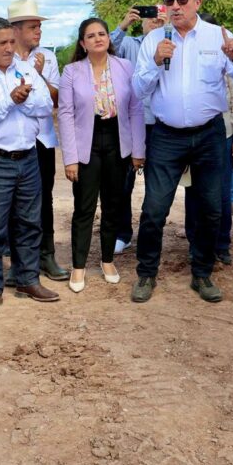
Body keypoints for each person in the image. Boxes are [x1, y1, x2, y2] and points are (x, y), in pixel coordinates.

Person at [131, 0, 233, 304]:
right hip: (166, 135)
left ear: (197, 2)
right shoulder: (154, 40)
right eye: (168, 0)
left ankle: (202, 273)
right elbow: (138, 90)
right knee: (154, 209)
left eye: (182, 0)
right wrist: (156, 62)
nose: (175, 6)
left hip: (209, 135)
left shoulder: (219, 37)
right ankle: (146, 273)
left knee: (211, 208)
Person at [0, 17, 60, 315]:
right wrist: (9, 100)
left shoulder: (26, 69)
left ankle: (28, 280)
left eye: (12, 42)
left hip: (28, 158)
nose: (8, 48)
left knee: (29, 223)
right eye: (2, 43)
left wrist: (22, 100)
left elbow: (46, 106)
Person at [57, 18, 145, 292]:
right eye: (91, 35)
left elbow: (135, 109)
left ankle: (107, 260)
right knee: (84, 207)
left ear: (108, 38)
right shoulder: (71, 71)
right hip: (87, 143)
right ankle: (78, 266)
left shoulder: (125, 67)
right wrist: (70, 158)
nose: (98, 38)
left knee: (113, 205)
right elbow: (65, 114)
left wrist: (138, 150)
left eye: (102, 34)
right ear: (83, 43)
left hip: (118, 141)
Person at [8, 0, 69, 281]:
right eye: (33, 26)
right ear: (16, 29)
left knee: (44, 200)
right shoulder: (2, 56)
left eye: (39, 26)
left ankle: (46, 255)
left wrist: (40, 75)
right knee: (13, 204)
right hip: (12, 140)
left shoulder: (48, 57)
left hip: (42, 140)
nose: (38, 31)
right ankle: (18, 262)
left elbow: (55, 99)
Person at [183, 14, 233, 266]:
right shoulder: (184, 60)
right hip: (191, 136)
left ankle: (221, 244)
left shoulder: (223, 59)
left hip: (223, 135)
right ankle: (194, 243)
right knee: (193, 192)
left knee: (221, 194)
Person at [111, 7, 167, 253]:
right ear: (142, 19)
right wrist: (122, 26)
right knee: (123, 182)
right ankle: (122, 233)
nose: (155, 19)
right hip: (130, 123)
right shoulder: (129, 44)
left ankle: (150, 235)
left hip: (161, 125)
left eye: (160, 14)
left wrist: (167, 28)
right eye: (151, 15)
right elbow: (105, 50)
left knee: (157, 186)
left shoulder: (171, 43)